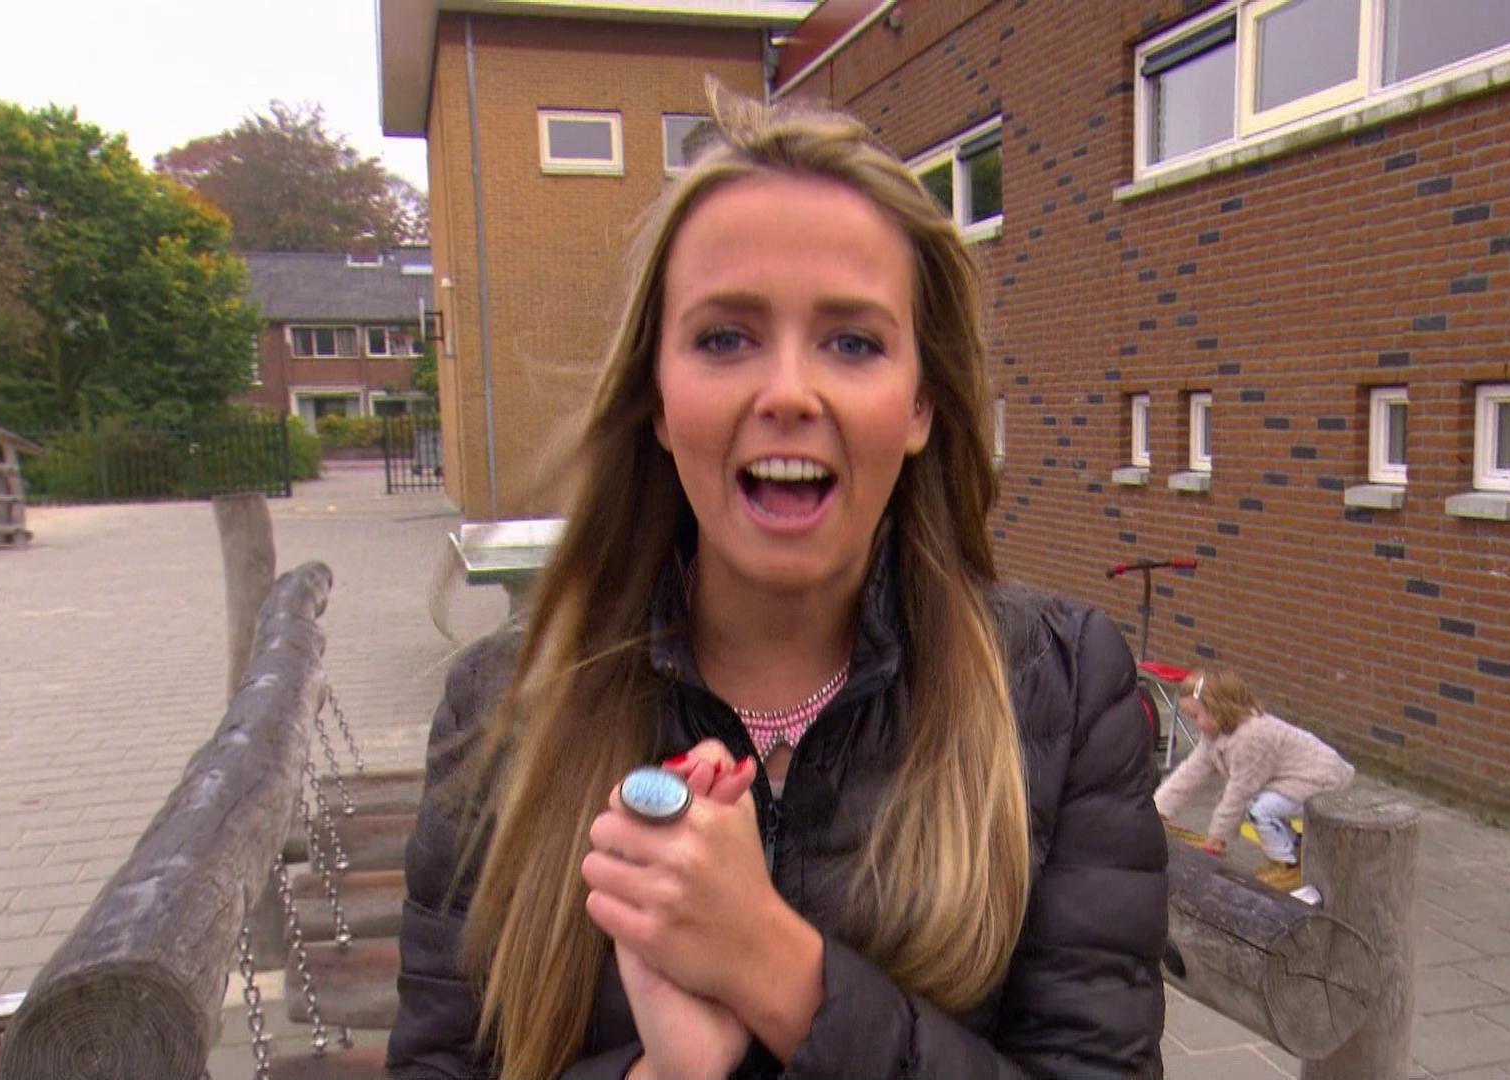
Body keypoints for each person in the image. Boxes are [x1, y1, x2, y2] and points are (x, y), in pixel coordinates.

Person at [385, 84, 1167, 1079]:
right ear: (658, 398)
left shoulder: (1060, 686)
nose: (788, 392)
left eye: (853, 342)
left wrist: (775, 969)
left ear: (920, 404)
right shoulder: (506, 709)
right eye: (724, 338)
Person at [1152, 665, 1355, 890]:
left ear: (1218, 709)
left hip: (1321, 780)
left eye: (1195, 716)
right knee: (1261, 805)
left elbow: (1239, 791)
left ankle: (1289, 864)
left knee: (1259, 809)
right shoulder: (1214, 734)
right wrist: (1159, 807)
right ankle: (1294, 848)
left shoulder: (1250, 737)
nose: (1193, 722)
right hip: (1297, 779)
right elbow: (1191, 771)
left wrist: (1218, 836)